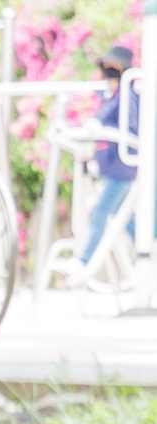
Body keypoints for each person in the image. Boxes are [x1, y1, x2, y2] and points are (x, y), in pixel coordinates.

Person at [85, 43, 145, 275]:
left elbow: (130, 128)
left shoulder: (127, 95)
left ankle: (84, 259)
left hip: (121, 166)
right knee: (126, 219)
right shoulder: (109, 95)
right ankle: (147, 245)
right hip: (110, 165)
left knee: (102, 212)